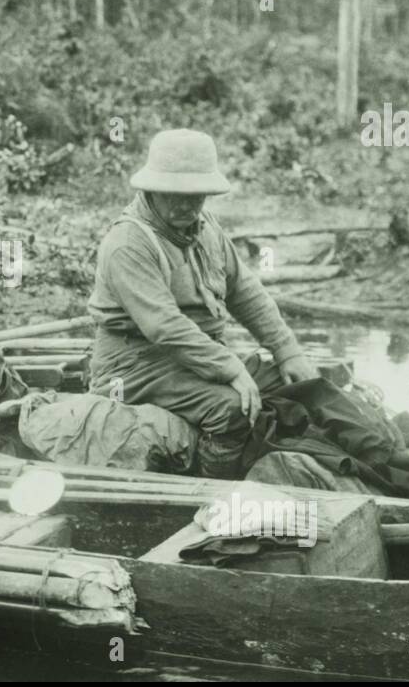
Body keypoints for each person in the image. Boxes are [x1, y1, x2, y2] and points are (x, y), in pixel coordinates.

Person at [87, 129, 317, 477]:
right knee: (233, 408)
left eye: (197, 195)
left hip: (194, 357)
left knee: (300, 388)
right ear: (151, 189)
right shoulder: (128, 243)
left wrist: (287, 350)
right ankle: (210, 493)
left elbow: (244, 290)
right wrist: (231, 369)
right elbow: (164, 327)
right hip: (135, 367)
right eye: (176, 195)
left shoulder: (205, 226)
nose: (187, 205)